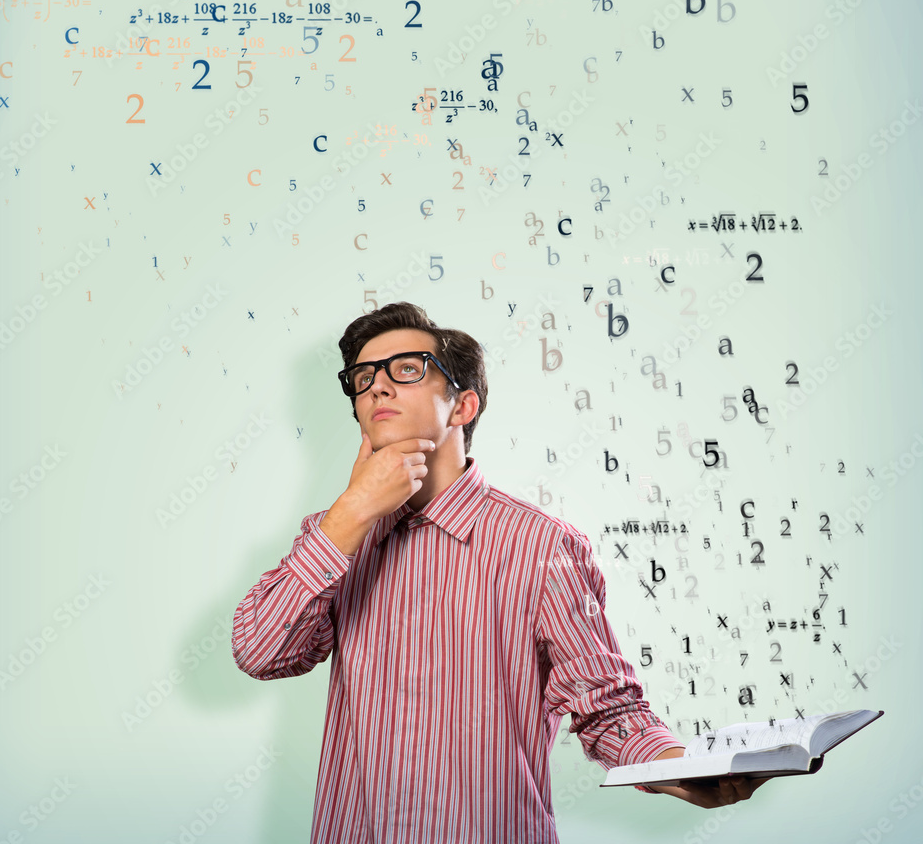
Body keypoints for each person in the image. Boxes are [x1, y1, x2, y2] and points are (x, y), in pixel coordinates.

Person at [232, 302, 765, 842]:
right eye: (364, 377)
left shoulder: (543, 545)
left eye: (407, 368)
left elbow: (605, 707)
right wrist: (348, 514)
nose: (377, 388)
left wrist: (677, 766)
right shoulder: (335, 536)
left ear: (462, 406)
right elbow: (260, 652)